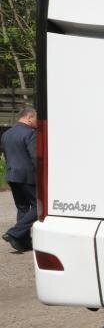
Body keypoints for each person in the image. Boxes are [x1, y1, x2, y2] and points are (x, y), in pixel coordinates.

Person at [2, 106, 38, 253]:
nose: (37, 122)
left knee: (22, 207)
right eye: (35, 119)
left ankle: (22, 241)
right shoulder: (31, 133)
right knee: (39, 207)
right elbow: (35, 157)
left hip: (11, 175)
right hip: (26, 176)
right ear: (29, 117)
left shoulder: (7, 134)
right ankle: (14, 233)